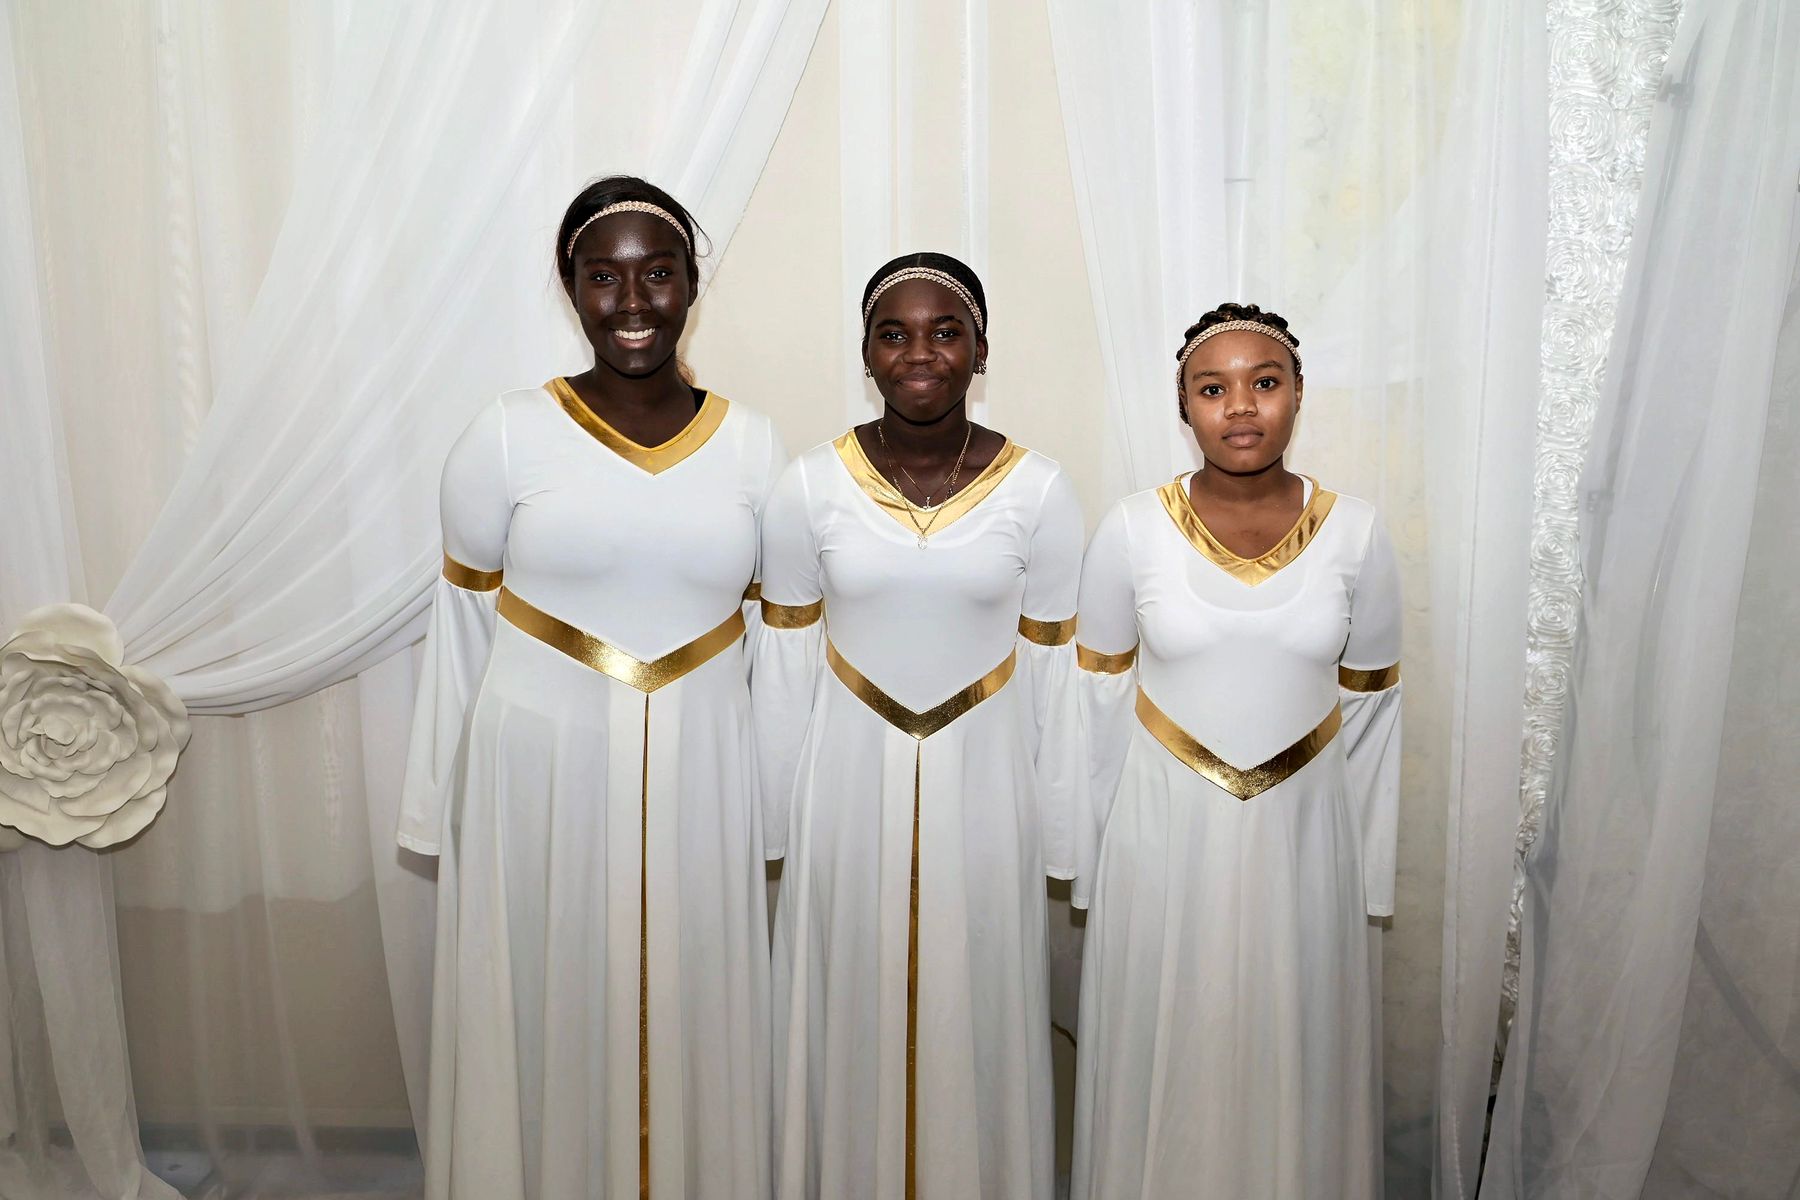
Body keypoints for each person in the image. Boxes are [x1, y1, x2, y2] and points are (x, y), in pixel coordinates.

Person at [397, 176, 782, 1200]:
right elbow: (462, 627)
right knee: (547, 1003)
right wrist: (439, 811)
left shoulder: (754, 445)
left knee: (693, 1001)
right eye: (604, 276)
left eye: (659, 272)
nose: (633, 301)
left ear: (693, 282)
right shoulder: (506, 433)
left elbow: (771, 645)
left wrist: (771, 801)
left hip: (703, 783)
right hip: (538, 785)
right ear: (570, 288)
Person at [753, 253, 1085, 1199]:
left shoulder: (1040, 490)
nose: (921, 353)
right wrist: (775, 819)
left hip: (988, 794)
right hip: (843, 790)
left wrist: (1058, 829)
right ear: (866, 353)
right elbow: (784, 662)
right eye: (894, 334)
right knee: (847, 996)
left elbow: (1057, 676)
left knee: (976, 1006)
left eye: (946, 331)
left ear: (981, 349)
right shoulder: (809, 486)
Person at [1069, 303, 1403, 1199]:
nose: (1242, 406)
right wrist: (1095, 863)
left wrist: (1364, 879)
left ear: (1299, 394)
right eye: (1213, 389)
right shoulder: (1130, 529)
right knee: (1170, 1049)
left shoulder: (1358, 533)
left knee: (1294, 1050)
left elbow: (1374, 713)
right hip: (1160, 847)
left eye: (1265, 382)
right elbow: (1096, 705)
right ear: (1183, 407)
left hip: (1306, 850)